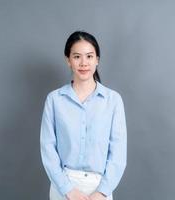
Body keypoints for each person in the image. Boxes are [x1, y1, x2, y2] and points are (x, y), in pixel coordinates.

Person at [40, 31, 127, 200]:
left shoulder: (113, 100)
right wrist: (68, 190)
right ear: (68, 60)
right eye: (77, 56)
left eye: (89, 56)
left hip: (100, 187)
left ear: (97, 60)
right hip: (63, 187)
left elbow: (118, 153)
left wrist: (102, 192)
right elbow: (48, 149)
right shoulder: (54, 100)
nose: (83, 63)